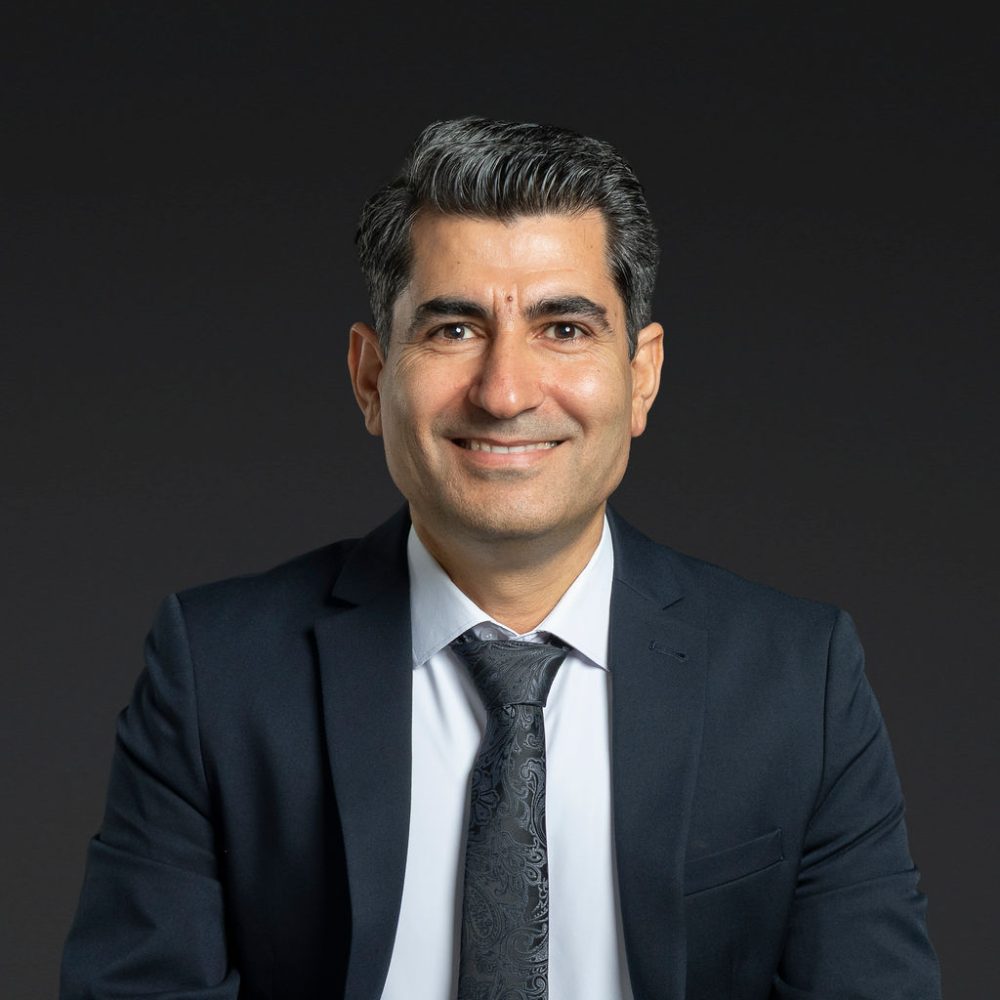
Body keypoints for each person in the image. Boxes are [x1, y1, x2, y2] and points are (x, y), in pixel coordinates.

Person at [61, 117, 941, 1000]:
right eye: (453, 329)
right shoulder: (218, 672)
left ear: (641, 376)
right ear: (371, 377)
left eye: (565, 328)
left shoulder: (799, 679)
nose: (505, 392)